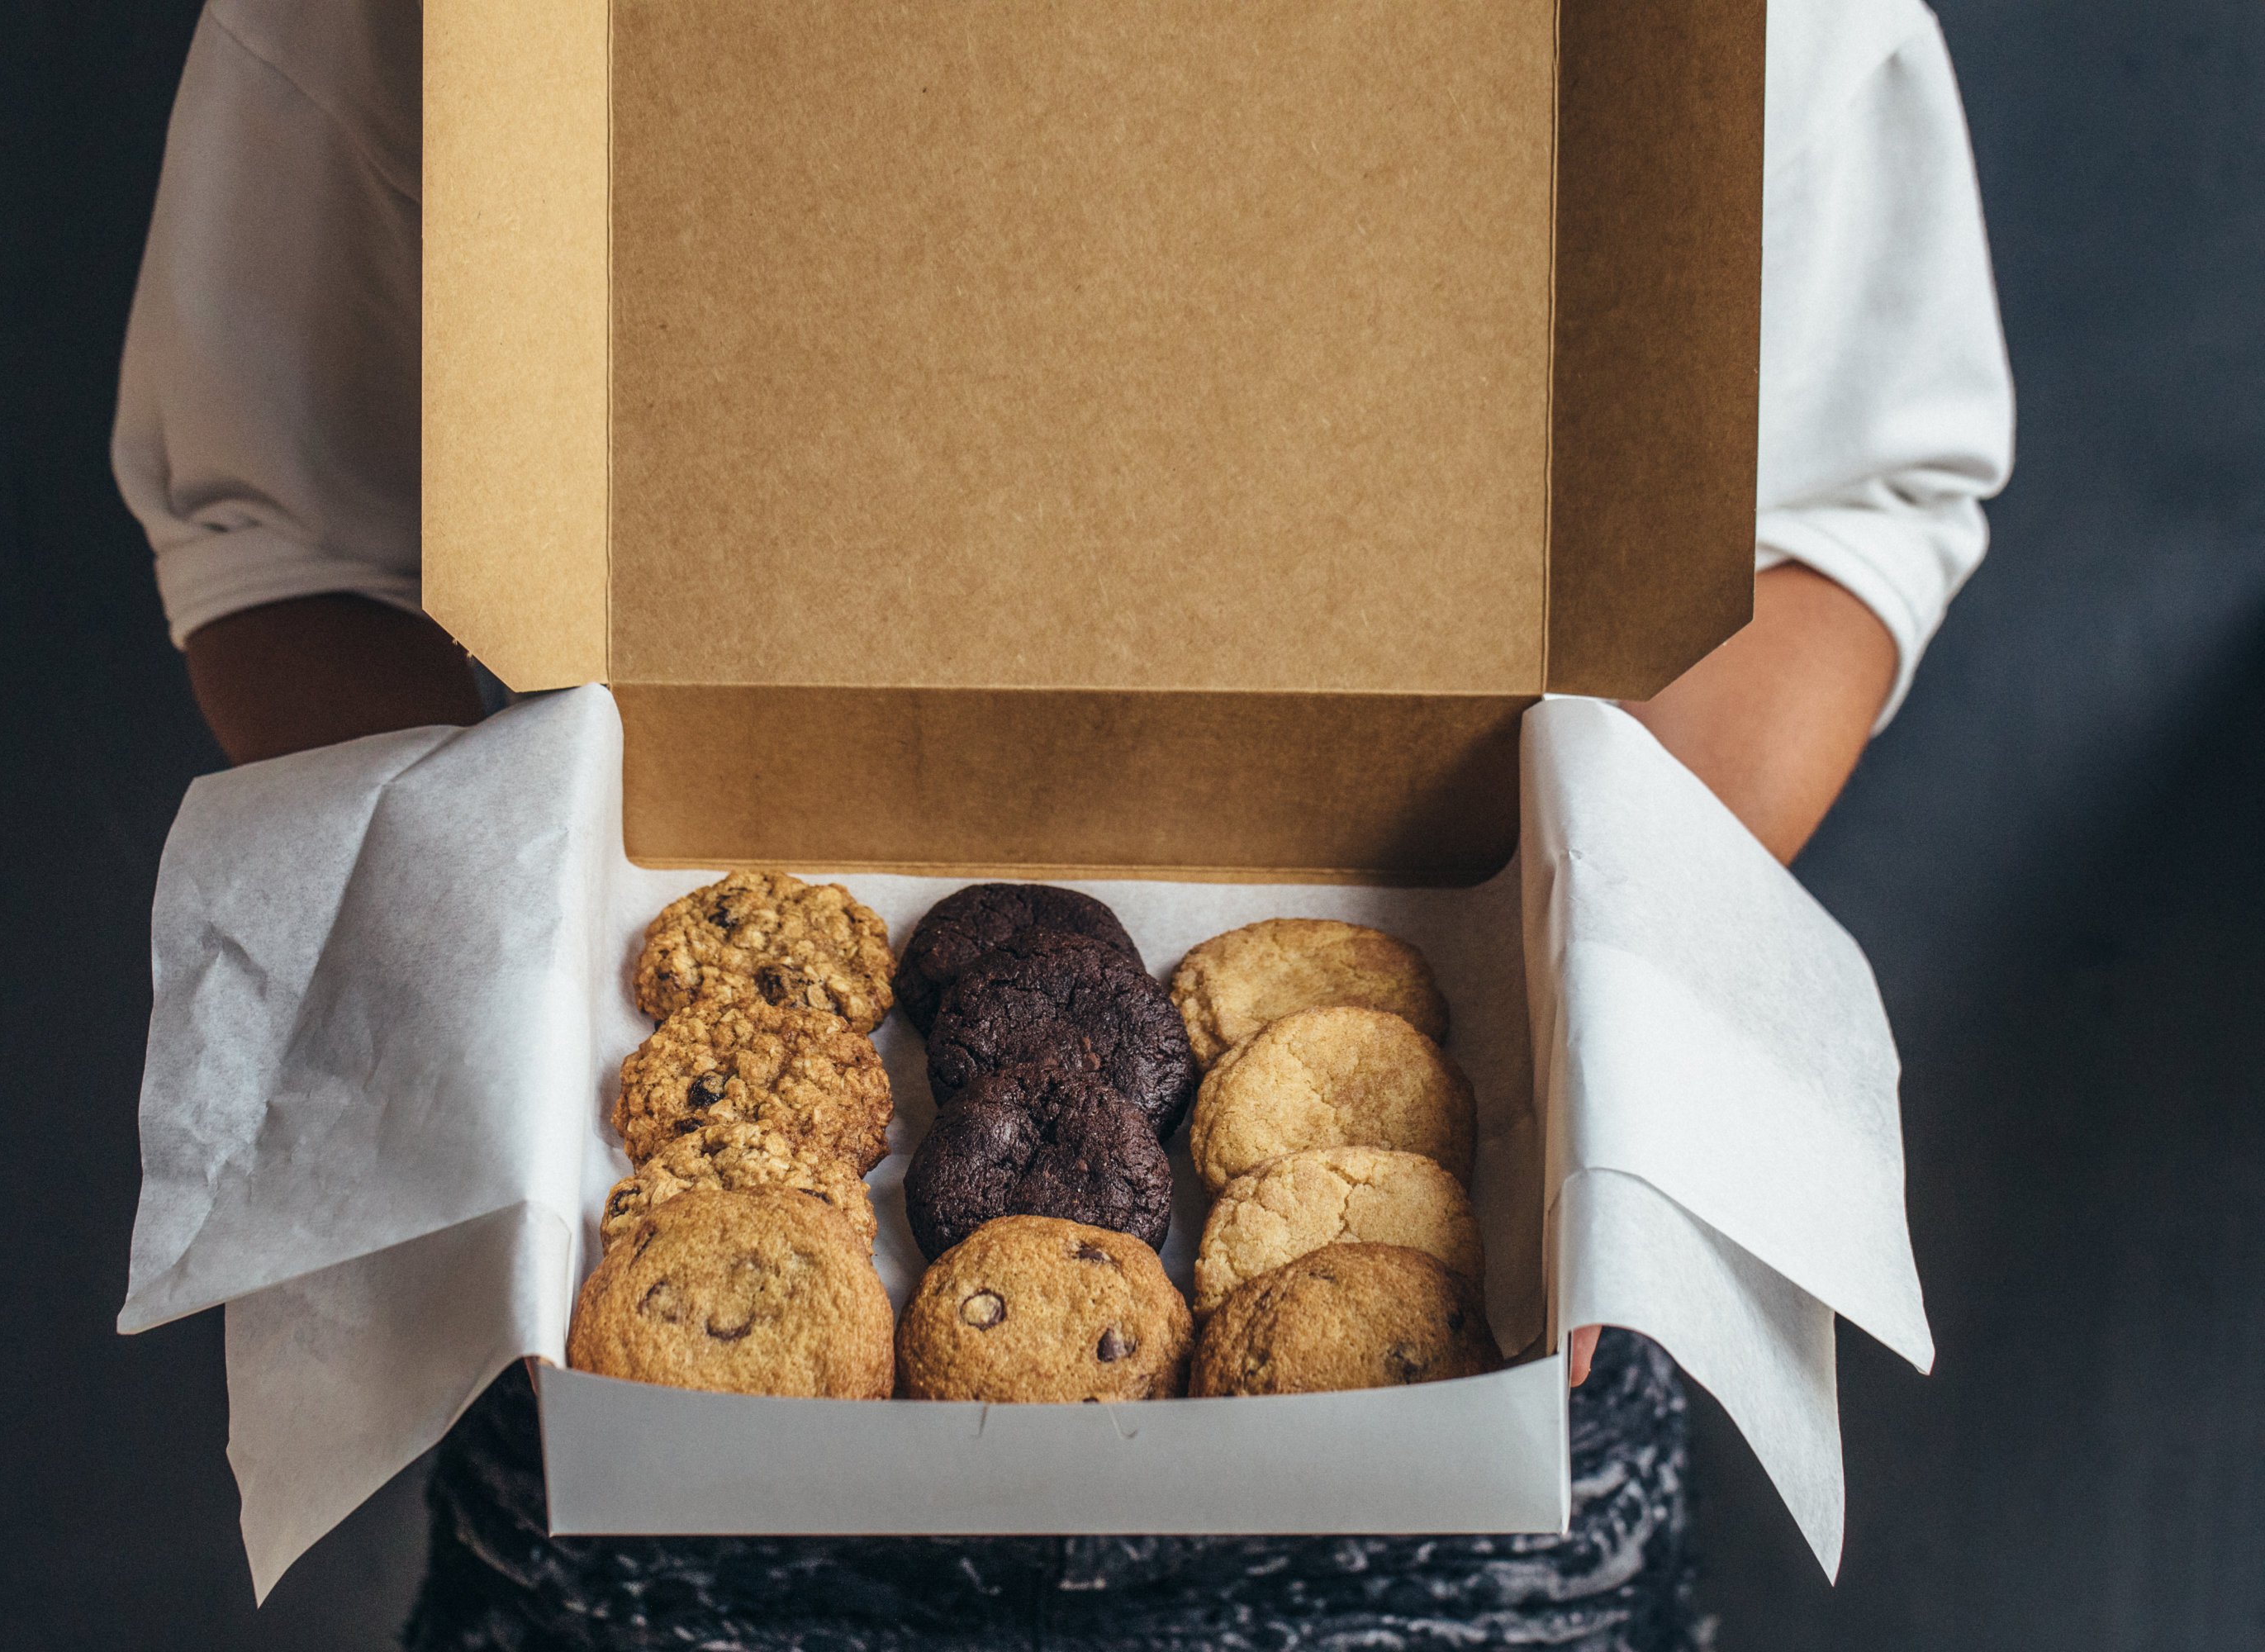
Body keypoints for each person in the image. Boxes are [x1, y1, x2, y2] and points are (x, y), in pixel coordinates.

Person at [113, 0, 2012, 1645]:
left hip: (1478, 1498)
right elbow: (282, 542)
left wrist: (1603, 1048)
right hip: (657, 1520)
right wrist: (504, 1073)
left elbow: (1850, 500)